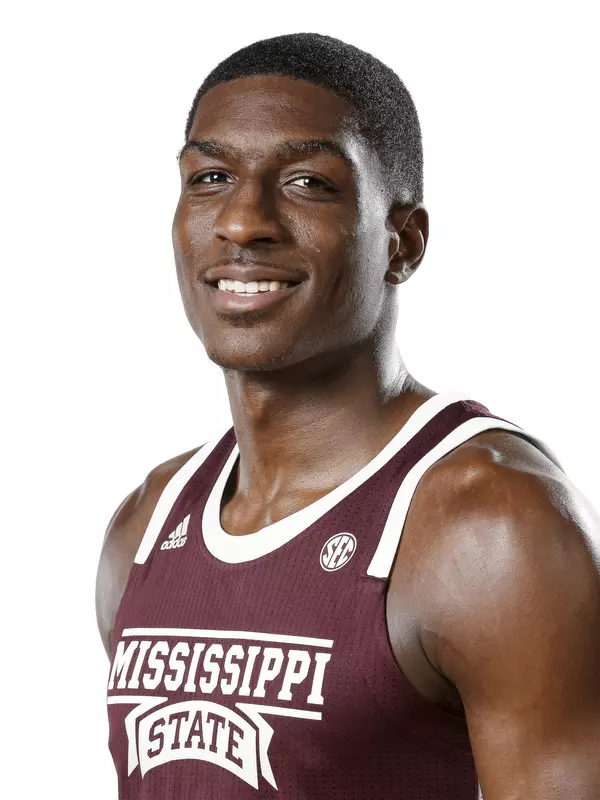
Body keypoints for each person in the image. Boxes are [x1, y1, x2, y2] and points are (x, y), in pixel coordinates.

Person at [95, 32, 600, 799]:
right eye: (211, 176)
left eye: (305, 182)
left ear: (404, 242)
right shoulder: (145, 524)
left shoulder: (493, 527)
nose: (241, 222)